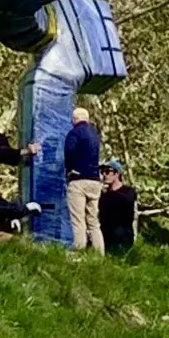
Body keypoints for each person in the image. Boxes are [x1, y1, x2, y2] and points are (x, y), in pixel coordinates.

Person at [64, 107, 104, 254]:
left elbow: (69, 151)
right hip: (95, 181)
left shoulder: (74, 133)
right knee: (94, 222)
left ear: (75, 119)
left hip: (78, 180)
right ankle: (100, 254)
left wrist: (69, 169)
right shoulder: (95, 134)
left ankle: (78, 251)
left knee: (78, 219)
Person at [99, 159, 137, 253]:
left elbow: (124, 202)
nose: (104, 175)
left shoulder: (128, 191)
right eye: (102, 172)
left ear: (117, 174)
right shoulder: (103, 195)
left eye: (107, 172)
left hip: (122, 238)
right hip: (106, 237)